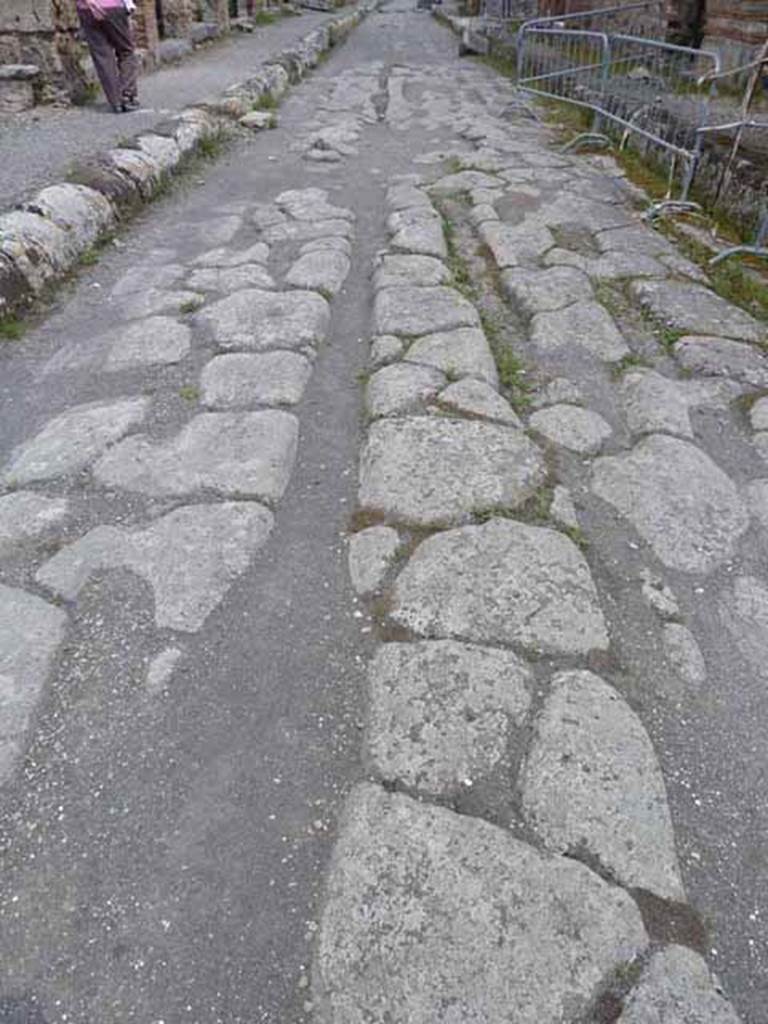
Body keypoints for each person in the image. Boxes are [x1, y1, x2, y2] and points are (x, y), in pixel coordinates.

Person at [76, 0, 140, 114]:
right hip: (113, 6)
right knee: (126, 51)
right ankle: (127, 95)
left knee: (102, 56)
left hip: (86, 10)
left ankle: (116, 101)